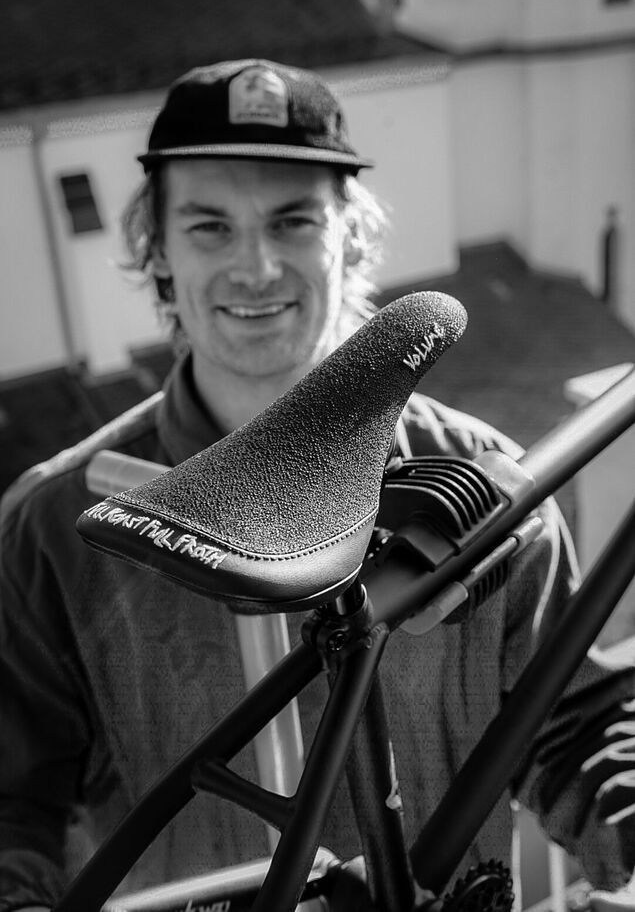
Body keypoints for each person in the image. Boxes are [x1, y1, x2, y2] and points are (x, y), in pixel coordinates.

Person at [1, 58, 635, 911]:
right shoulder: (59, 520)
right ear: (157, 253)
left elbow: (571, 729)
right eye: (209, 228)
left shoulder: (480, 484)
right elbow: (13, 806)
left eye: (293, 221)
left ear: (354, 237)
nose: (256, 267)